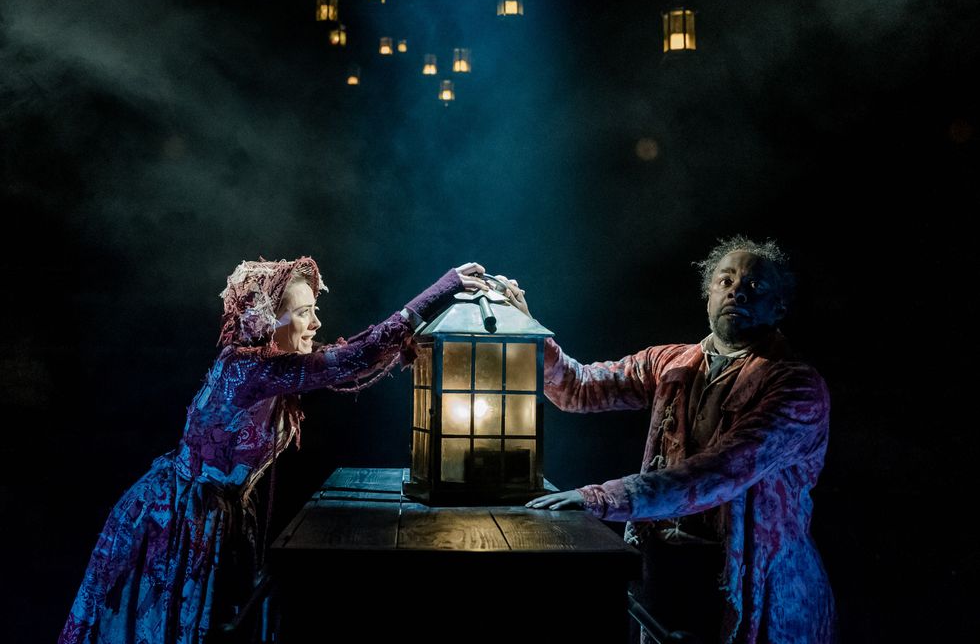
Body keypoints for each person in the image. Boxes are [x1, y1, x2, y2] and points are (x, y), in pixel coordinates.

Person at [59, 257, 488, 644]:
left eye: (314, 310)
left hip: (211, 515)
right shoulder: (248, 367)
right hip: (175, 518)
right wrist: (442, 288)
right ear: (266, 320)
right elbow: (355, 355)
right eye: (304, 313)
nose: (316, 322)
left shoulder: (271, 370)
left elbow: (348, 356)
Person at [513, 237, 836, 644]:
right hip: (669, 569)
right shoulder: (671, 362)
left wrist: (601, 497)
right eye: (726, 280)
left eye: (754, 286)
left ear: (779, 308)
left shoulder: (796, 387)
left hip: (756, 579)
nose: (737, 290)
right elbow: (578, 387)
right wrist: (527, 331)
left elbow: (720, 471)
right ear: (707, 296)